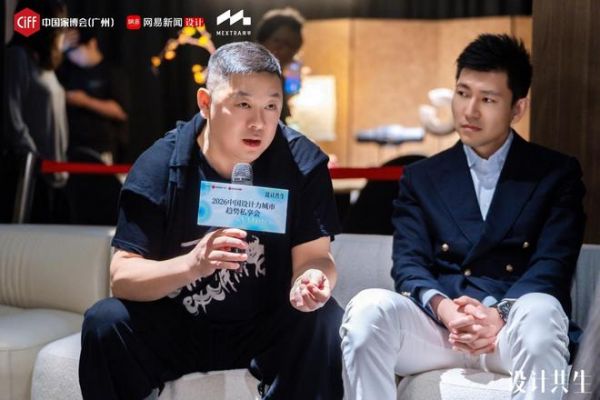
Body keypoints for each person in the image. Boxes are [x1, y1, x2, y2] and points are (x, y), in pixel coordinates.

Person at [78, 41, 344, 400]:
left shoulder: (302, 163)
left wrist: (311, 281)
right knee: (105, 321)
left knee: (324, 318)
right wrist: (193, 264)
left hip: (265, 324)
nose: (259, 123)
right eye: (243, 104)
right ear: (205, 103)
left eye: (271, 106)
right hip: (179, 324)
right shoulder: (161, 163)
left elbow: (315, 258)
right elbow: (122, 277)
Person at [340, 34, 586, 400]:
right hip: (442, 330)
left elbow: (552, 264)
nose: (469, 111)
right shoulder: (421, 177)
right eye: (462, 93)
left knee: (542, 310)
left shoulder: (554, 174)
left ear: (518, 108)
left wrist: (497, 315)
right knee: (367, 310)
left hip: (512, 330)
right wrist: (447, 311)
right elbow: (408, 264)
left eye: (487, 99)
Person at [2, 0, 69, 222]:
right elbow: (12, 118)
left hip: (54, 172)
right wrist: (34, 158)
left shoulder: (44, 63)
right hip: (29, 173)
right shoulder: (17, 57)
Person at [57, 28, 130, 164]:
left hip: (102, 146)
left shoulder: (111, 72)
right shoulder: (69, 71)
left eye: (75, 50)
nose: (72, 56)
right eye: (68, 52)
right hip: (72, 145)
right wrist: (60, 47)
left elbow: (120, 111)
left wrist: (85, 101)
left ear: (92, 44)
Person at [255, 7, 304, 122]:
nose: (285, 51)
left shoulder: (279, 79)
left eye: (292, 46)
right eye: (278, 42)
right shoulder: (246, 76)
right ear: (262, 41)